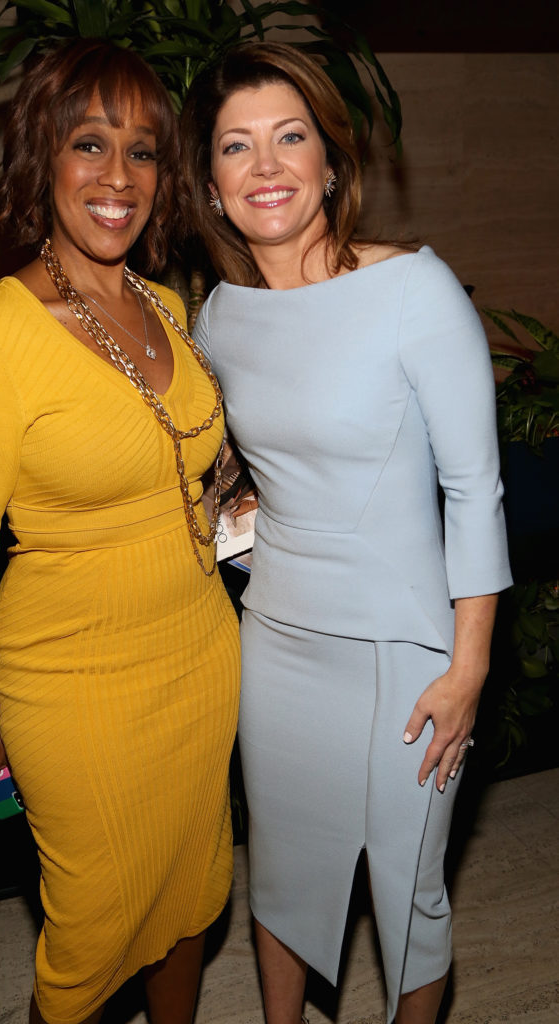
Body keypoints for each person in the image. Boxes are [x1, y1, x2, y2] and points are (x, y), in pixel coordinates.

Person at [179, 41, 512, 1024]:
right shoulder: (220, 319)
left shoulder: (413, 289)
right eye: (236, 148)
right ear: (210, 183)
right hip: (275, 643)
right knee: (280, 874)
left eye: (289, 138)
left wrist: (468, 669)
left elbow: (475, 488)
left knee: (404, 893)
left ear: (330, 161)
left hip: (411, 654)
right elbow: (244, 475)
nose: (266, 166)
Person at [0, 40, 240, 1024]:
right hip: (73, 693)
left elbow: (180, 470)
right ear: (40, 158)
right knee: (91, 936)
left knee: (194, 896)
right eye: (89, 143)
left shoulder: (165, 307)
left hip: (196, 661)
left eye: (142, 152)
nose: (117, 178)